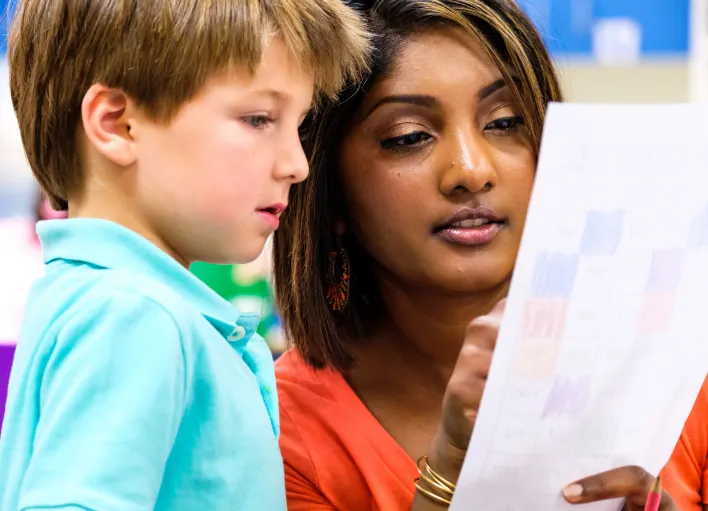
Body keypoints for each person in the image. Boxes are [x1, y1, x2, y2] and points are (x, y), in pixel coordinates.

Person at [272, 1, 705, 510]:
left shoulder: (678, 368)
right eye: (409, 137)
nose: (472, 170)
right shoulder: (282, 432)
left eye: (504, 122)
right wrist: (450, 472)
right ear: (330, 190)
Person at [0, 1, 370, 510]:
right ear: (117, 124)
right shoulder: (134, 315)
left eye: (298, 127)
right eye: (259, 119)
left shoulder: (94, 298)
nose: (296, 164)